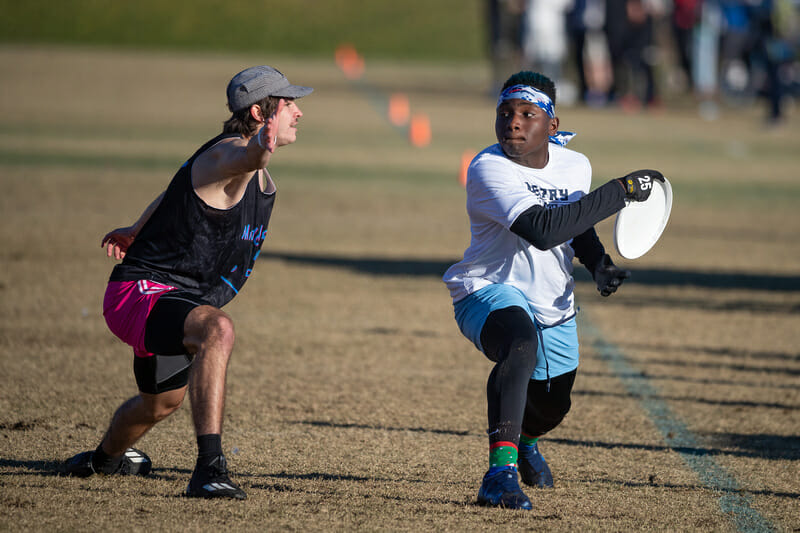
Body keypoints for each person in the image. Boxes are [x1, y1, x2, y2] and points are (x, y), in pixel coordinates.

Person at [64, 65, 312, 500]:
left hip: (176, 297)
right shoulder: (230, 155)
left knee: (159, 403)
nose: (299, 113)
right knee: (218, 329)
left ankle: (100, 461)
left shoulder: (227, 163)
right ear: (259, 113)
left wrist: (137, 228)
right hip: (140, 293)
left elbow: (177, 188)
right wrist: (261, 150)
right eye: (288, 104)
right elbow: (244, 157)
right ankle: (209, 470)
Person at [442, 71, 663, 509]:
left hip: (553, 301)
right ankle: (499, 475)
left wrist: (598, 263)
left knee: (553, 405)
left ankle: (525, 442)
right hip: (486, 288)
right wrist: (621, 191)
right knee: (519, 343)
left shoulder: (575, 164)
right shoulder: (488, 167)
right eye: (505, 113)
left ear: (553, 125)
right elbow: (542, 231)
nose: (514, 122)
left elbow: (574, 220)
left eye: (527, 114)